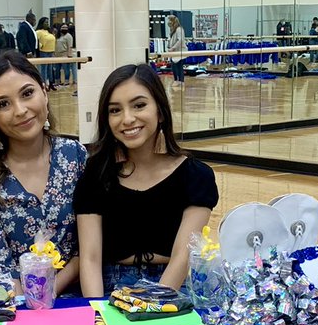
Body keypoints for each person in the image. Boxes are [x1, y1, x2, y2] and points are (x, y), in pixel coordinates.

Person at [75, 63, 218, 297]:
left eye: (139, 105)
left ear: (160, 111)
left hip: (172, 287)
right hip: (110, 286)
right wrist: (97, 313)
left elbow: (182, 256)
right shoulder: (96, 173)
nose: (127, 119)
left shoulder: (196, 176)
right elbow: (90, 258)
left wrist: (152, 306)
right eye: (115, 110)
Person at [0, 50, 85, 293]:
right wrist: (31, 305)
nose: (20, 110)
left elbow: (89, 247)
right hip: (13, 304)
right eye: (3, 104)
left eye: (27, 93)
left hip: (75, 296)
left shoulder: (75, 155)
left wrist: (47, 292)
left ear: (44, 91)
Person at [35, 17, 56, 90]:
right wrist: (41, 45)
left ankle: (51, 83)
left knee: (50, 69)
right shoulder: (38, 32)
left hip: (51, 51)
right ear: (42, 23)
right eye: (45, 22)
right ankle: (44, 84)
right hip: (43, 52)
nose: (47, 23)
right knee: (44, 69)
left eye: (48, 22)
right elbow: (36, 41)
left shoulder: (49, 31)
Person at [166, 15, 188, 86]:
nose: (168, 22)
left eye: (169, 20)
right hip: (174, 52)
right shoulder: (173, 30)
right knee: (174, 67)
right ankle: (176, 80)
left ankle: (181, 81)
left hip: (179, 51)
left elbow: (180, 40)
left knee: (179, 67)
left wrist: (173, 48)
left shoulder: (179, 29)